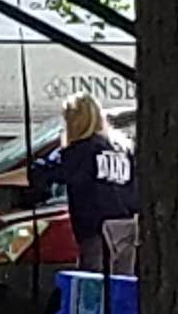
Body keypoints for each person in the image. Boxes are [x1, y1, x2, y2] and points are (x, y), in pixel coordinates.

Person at [27, 93, 140, 275]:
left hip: (96, 234)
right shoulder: (123, 148)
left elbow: (42, 173)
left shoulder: (81, 151)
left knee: (93, 290)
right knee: (122, 287)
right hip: (125, 233)